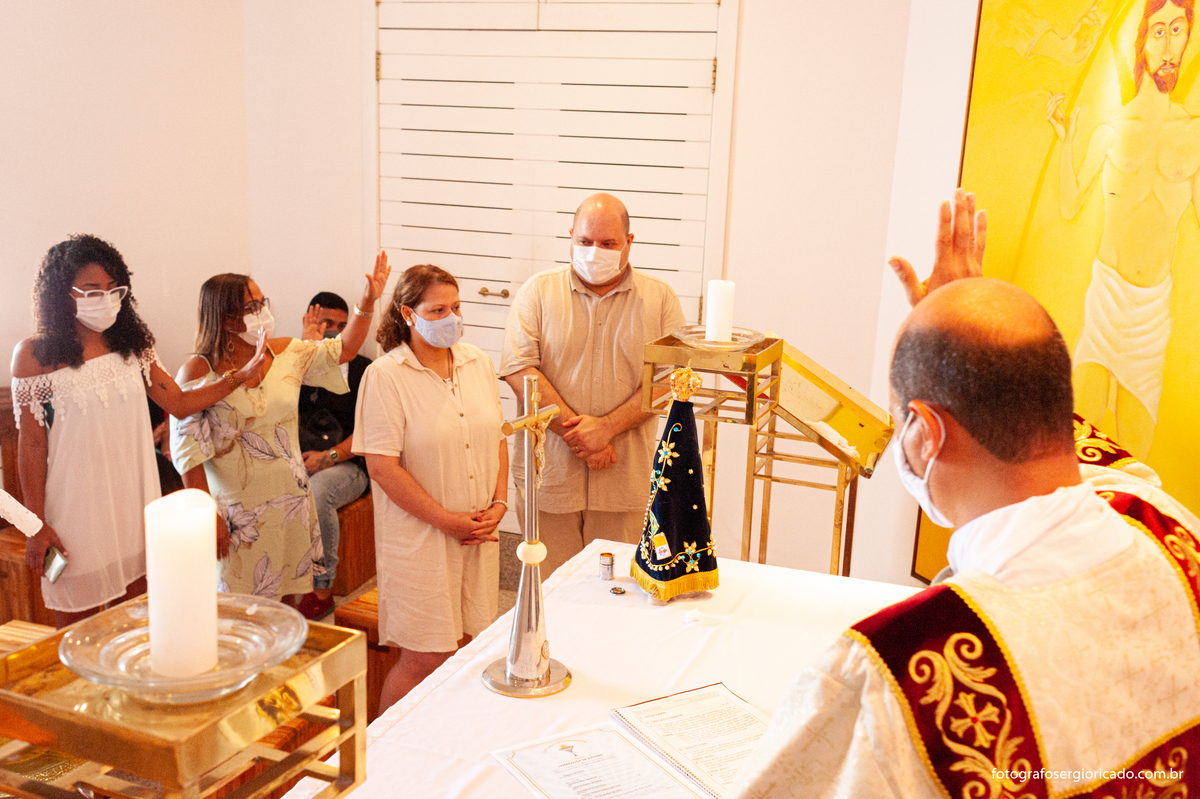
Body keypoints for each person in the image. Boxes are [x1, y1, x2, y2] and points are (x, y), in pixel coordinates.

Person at [731, 190, 1200, 798]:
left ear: (925, 434)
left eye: (900, 419)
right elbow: (1082, 451)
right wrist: (973, 337)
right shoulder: (1171, 528)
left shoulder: (903, 681)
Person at [10, 234, 266, 627]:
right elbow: (31, 444)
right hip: (73, 512)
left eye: (113, 289)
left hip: (134, 504)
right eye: (92, 290)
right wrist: (36, 524)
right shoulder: (34, 355)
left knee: (137, 624)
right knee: (75, 629)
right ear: (62, 294)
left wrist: (238, 377)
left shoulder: (133, 345)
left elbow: (178, 402)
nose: (105, 299)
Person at [171, 254, 389, 601]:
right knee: (239, 608)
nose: (261, 312)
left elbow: (344, 350)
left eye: (262, 303)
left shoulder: (285, 352)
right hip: (238, 513)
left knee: (288, 603)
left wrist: (367, 302)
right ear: (225, 318)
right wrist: (207, 515)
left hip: (291, 503)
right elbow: (188, 453)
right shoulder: (199, 372)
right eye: (251, 307)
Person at [500, 192, 687, 577]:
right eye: (584, 241)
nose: (594, 252)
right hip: (550, 476)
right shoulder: (537, 292)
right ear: (571, 236)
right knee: (549, 587)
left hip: (623, 480)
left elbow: (670, 381)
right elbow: (520, 370)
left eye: (607, 243)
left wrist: (607, 428)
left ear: (629, 242)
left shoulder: (660, 299)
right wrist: (582, 436)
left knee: (617, 590)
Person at [1046, 0, 1198, 459]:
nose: (1169, 46)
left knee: (1134, 463)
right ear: (1143, 43)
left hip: (1151, 315)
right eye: (1159, 32)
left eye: (1178, 30)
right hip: (1105, 300)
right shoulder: (1113, 127)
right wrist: (1065, 143)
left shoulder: (1193, 136)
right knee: (1079, 451)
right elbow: (1070, 203)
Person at [353, 264, 507, 713]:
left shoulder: (477, 362)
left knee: (470, 647)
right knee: (425, 657)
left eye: (456, 307)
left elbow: (498, 437)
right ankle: (386, 750)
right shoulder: (386, 375)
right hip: (420, 537)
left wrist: (499, 503)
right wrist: (446, 521)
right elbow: (382, 467)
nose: (451, 318)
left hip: (477, 532)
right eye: (438, 310)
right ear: (408, 314)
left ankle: (448, 740)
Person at [294, 291, 372, 620]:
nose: (334, 332)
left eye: (342, 325)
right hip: (297, 457)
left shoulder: (365, 370)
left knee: (319, 491)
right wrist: (305, 352)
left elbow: (372, 430)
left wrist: (327, 458)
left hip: (350, 464)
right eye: (327, 323)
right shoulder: (292, 362)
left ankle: (321, 589)